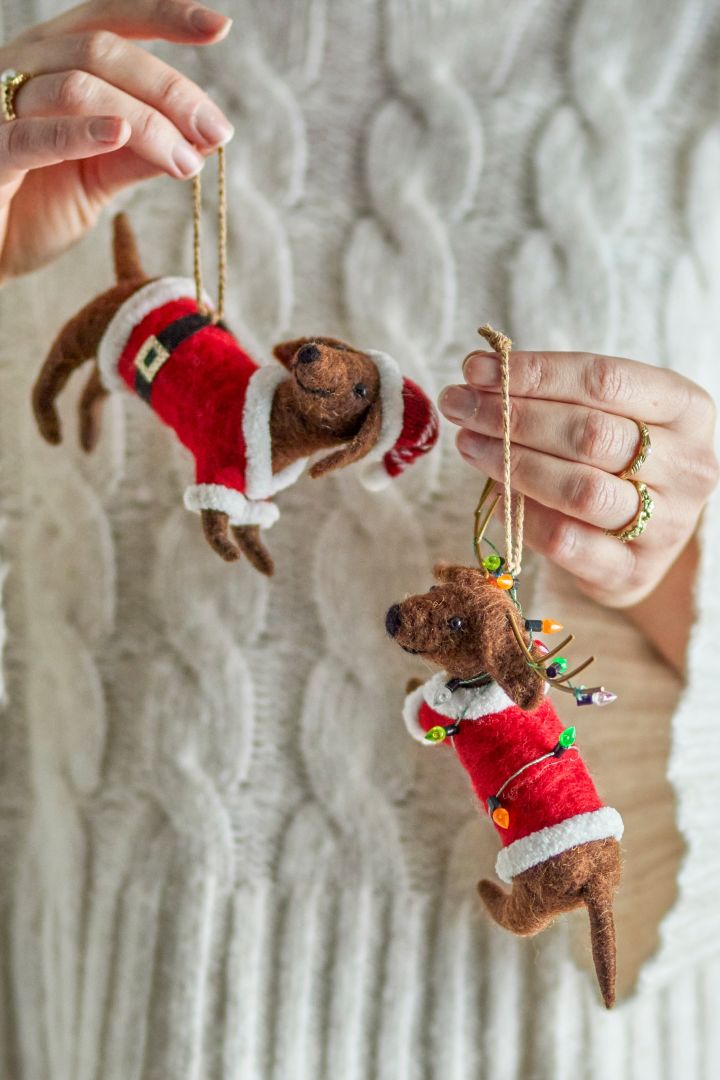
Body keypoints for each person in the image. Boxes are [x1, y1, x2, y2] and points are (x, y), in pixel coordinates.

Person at [0, 2, 718, 1077]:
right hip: (134, 1005)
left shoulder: (682, 49)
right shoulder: (40, 36)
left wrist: (683, 543)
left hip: (559, 1039)